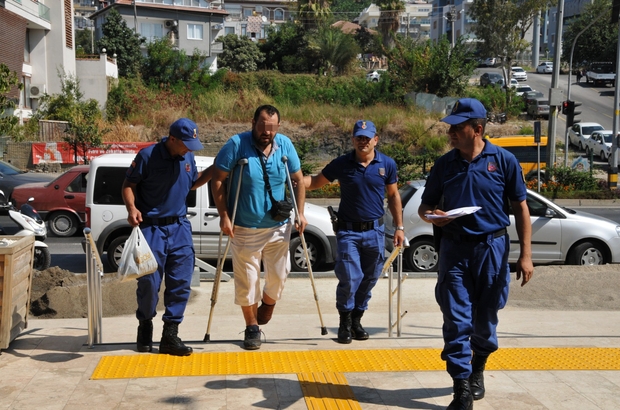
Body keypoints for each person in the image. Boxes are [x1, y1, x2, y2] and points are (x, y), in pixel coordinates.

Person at [417, 98, 533, 410]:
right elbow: (424, 206)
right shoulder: (444, 165)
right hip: (454, 249)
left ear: (477, 129)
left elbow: (521, 207)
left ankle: (478, 366)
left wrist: (526, 255)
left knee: (486, 318)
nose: (450, 133)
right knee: (456, 320)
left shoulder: (504, 160)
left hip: (492, 248)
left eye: (458, 127)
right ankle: (461, 389)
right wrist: (434, 216)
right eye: (450, 127)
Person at [211, 104, 307, 351]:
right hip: (244, 227)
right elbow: (218, 179)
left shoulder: (284, 145)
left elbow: (297, 180)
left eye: (272, 127)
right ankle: (252, 326)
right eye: (263, 126)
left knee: (280, 274)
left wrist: (301, 212)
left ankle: (268, 304)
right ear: (253, 122)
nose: (267, 132)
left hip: (278, 226)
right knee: (248, 280)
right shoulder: (236, 145)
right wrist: (224, 216)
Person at [304, 120, 405, 344]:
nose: (363, 141)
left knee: (370, 277)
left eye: (367, 138)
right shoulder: (342, 163)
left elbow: (394, 196)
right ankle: (345, 322)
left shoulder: (386, 164)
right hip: (348, 232)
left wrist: (399, 227)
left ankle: (357, 319)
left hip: (376, 232)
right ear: (353, 140)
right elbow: (315, 182)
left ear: (375, 140)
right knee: (350, 277)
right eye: (359, 137)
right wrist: (296, 180)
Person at [122, 117, 213, 356]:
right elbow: (128, 185)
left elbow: (192, 183)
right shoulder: (147, 156)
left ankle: (170, 335)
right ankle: (145, 324)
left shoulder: (188, 157)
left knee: (181, 282)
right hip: (151, 228)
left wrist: (214, 171)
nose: (189, 149)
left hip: (180, 228)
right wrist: (132, 208)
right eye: (185, 143)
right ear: (172, 138)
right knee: (149, 283)